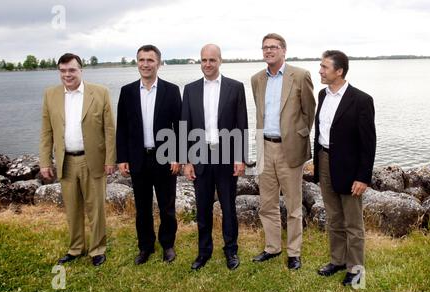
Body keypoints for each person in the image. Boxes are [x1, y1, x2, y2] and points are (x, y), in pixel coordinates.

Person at [40, 53, 116, 267]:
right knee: (72, 208)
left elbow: (109, 129)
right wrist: (45, 162)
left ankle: (97, 249)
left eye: (71, 70)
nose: (67, 75)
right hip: (66, 162)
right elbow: (46, 132)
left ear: (81, 70)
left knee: (96, 208)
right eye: (63, 71)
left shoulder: (100, 93)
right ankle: (75, 248)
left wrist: (111, 159)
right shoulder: (50, 95)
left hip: (93, 160)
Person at [251, 33, 316, 270]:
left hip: (290, 149)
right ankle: (272, 247)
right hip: (264, 147)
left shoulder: (300, 75)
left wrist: (297, 136)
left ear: (283, 50)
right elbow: (261, 112)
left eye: (274, 47)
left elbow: (309, 112)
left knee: (293, 204)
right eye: (265, 47)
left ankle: (294, 252)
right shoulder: (257, 79)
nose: (269, 51)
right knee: (267, 203)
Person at [182, 44, 248, 270]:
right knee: (202, 208)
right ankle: (204, 252)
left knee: (229, 207)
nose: (207, 64)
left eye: (212, 60)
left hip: (227, 157)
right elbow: (185, 126)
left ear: (220, 61)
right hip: (199, 156)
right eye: (204, 60)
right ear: (200, 62)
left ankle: (231, 251)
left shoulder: (235, 87)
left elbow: (242, 125)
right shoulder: (189, 90)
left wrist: (240, 158)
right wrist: (186, 160)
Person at [314, 50, 376, 286]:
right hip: (324, 161)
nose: (320, 71)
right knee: (333, 218)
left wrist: (363, 177)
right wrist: (318, 162)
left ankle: (356, 269)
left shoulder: (361, 100)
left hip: (350, 169)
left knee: (353, 223)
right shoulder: (322, 95)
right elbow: (321, 132)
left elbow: (368, 143)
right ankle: (337, 260)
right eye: (321, 66)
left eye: (324, 67)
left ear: (339, 71)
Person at [116, 45, 182, 265]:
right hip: (138, 158)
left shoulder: (171, 90)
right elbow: (122, 127)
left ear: (158, 63)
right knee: (142, 207)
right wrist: (122, 158)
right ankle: (145, 247)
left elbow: (179, 126)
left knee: (167, 206)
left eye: (150, 60)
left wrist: (177, 155)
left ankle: (168, 245)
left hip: (164, 157)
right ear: (137, 62)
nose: (145, 64)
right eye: (142, 60)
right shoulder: (127, 91)